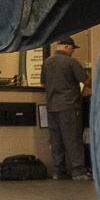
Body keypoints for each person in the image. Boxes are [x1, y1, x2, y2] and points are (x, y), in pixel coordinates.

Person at [42, 39, 88, 178]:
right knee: (73, 138)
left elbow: (43, 85)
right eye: (72, 49)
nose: (72, 51)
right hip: (69, 105)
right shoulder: (71, 62)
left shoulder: (47, 62)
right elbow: (86, 81)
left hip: (51, 106)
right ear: (67, 47)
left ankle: (58, 171)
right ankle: (78, 170)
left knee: (56, 139)